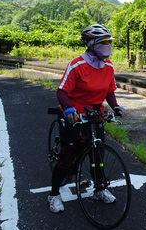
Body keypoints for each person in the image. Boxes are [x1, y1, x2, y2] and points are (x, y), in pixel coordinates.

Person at [48, 24, 126, 213]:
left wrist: (115, 106)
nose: (107, 45)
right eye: (103, 42)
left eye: (108, 42)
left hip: (95, 115)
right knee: (67, 157)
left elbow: (109, 91)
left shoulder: (108, 66)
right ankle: (54, 194)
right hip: (75, 116)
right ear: (90, 44)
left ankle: (99, 189)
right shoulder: (77, 64)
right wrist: (67, 108)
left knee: (97, 156)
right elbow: (62, 91)